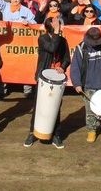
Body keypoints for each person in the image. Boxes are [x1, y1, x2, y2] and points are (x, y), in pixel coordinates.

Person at [24, 17, 70, 149]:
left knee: (56, 106)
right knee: (38, 104)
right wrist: (56, 32)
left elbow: (67, 57)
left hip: (57, 77)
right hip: (43, 76)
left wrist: (63, 66)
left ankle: (56, 133)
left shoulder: (62, 40)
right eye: (53, 22)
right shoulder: (43, 38)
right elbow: (52, 47)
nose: (56, 24)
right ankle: (33, 132)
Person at [70, 27, 101, 143]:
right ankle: (91, 130)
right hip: (88, 85)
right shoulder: (81, 48)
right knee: (91, 110)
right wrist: (77, 83)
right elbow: (75, 67)